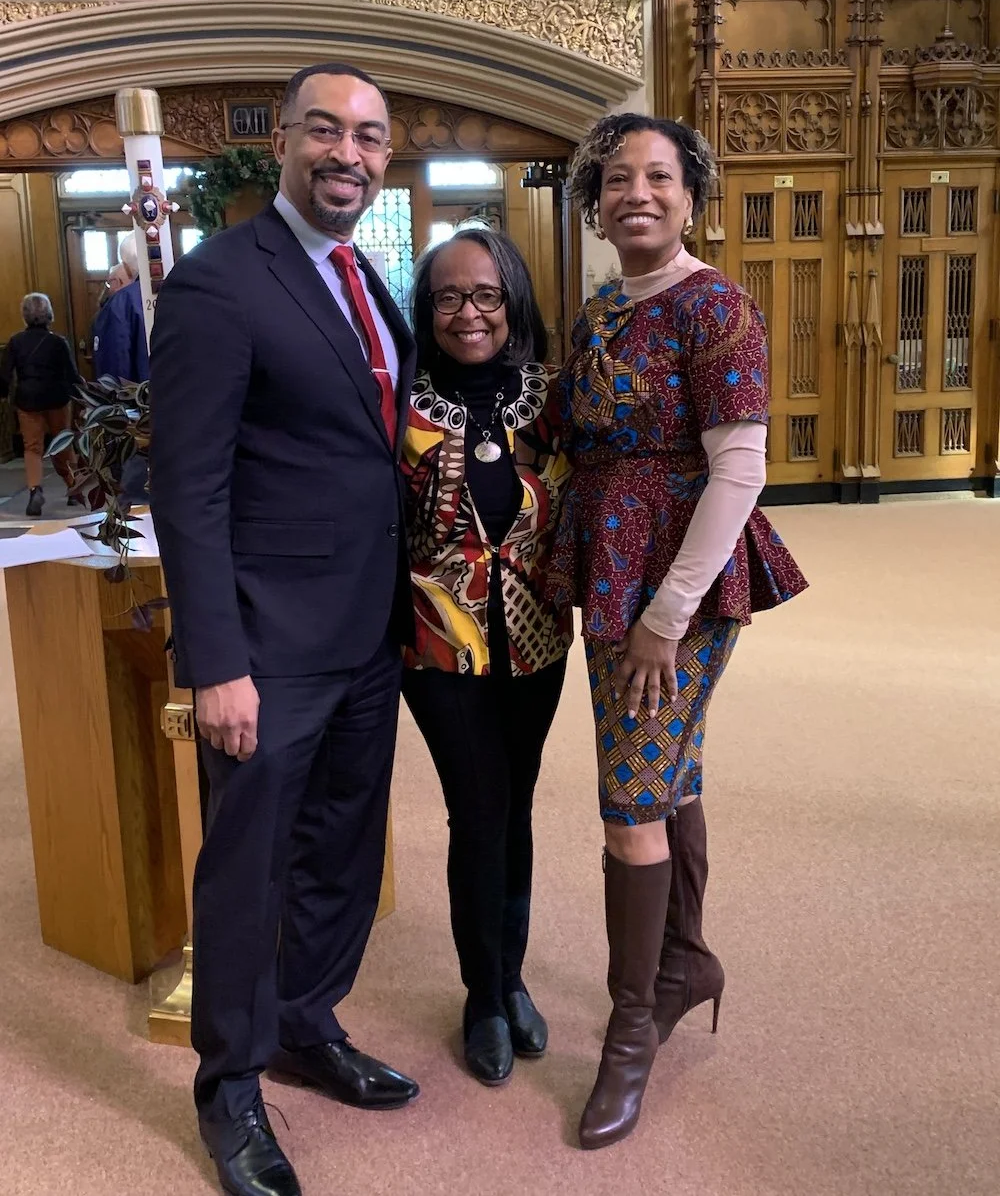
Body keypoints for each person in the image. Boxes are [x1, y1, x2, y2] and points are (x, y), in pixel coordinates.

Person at [149, 62, 419, 1196]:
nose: (345, 153)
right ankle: (231, 1088)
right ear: (284, 148)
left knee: (343, 854)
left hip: (366, 639)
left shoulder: (370, 279)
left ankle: (308, 1023)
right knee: (249, 871)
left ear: (384, 157)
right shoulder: (221, 283)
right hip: (265, 648)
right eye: (324, 130)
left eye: (366, 137)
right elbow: (187, 487)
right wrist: (218, 663)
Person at [547, 113, 808, 1151]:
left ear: (690, 196)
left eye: (658, 176)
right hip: (611, 567)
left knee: (627, 801)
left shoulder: (717, 309)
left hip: (679, 583)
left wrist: (666, 613)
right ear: (597, 202)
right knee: (663, 772)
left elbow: (739, 470)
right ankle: (686, 958)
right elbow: (564, 431)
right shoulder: (599, 308)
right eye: (617, 179)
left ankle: (631, 1027)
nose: (636, 193)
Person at [400, 229, 572, 1086]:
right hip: (438, 648)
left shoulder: (551, 396)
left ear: (513, 301)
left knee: (521, 805)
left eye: (485, 295)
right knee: (479, 810)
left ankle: (512, 976)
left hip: (538, 639)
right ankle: (481, 996)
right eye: (449, 298)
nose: (469, 313)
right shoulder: (400, 403)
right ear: (427, 312)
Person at [0, 292, 82, 517]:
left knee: (32, 447)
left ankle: (35, 490)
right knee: (62, 442)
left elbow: (5, 375)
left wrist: (4, 394)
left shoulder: (16, 342)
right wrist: (84, 394)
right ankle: (74, 487)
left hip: (28, 400)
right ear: (49, 314)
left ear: (25, 315)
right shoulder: (58, 342)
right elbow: (72, 375)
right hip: (57, 398)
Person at [91, 233, 150, 382]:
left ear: (126, 265)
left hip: (143, 399)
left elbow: (115, 364)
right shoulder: (185, 291)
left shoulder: (123, 302)